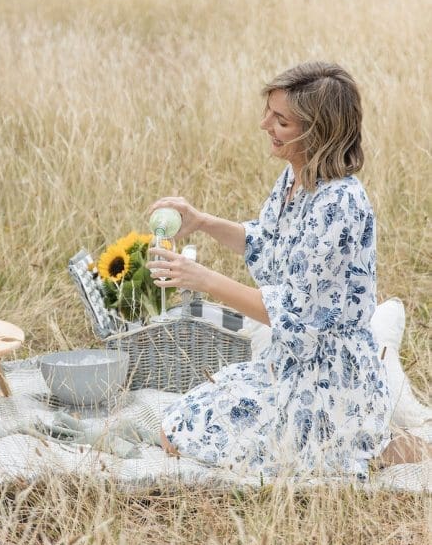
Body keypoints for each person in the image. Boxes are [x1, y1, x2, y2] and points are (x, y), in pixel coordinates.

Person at [147, 61, 426, 480]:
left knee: (186, 438)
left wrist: (201, 279)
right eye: (269, 113)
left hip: (330, 377)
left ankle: (375, 443)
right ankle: (363, 440)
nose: (265, 125)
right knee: (176, 423)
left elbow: (290, 311)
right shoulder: (294, 178)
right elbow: (266, 242)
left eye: (281, 121)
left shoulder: (340, 205)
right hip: (289, 362)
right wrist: (202, 221)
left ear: (319, 131)